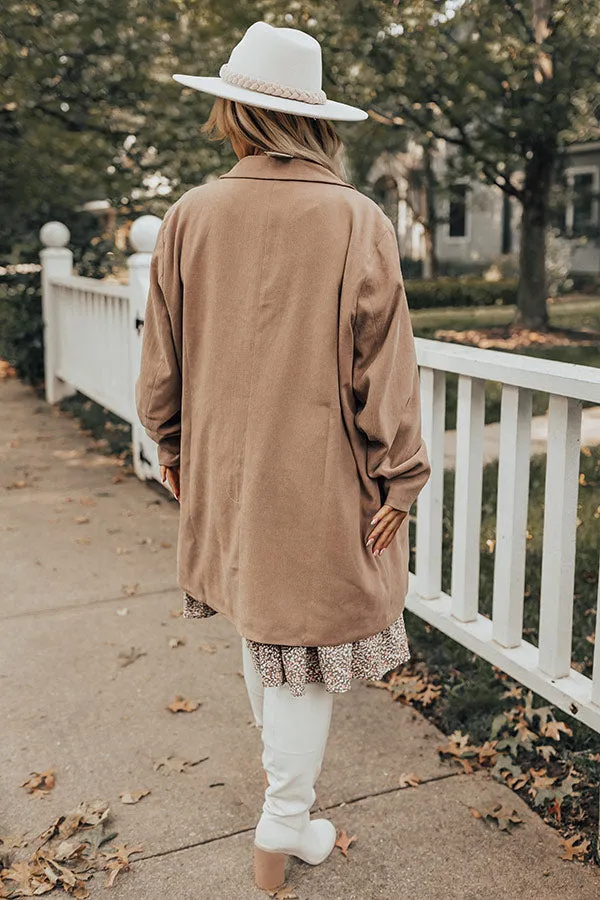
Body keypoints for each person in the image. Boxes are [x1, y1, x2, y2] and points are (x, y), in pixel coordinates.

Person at [135, 19, 431, 894]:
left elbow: (164, 357)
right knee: (297, 644)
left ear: (235, 108)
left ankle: (286, 816)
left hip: (225, 466)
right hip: (318, 475)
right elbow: (386, 370)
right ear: (317, 120)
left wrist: (171, 440)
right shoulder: (354, 220)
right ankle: (283, 827)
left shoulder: (190, 215)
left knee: (263, 625)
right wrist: (401, 474)